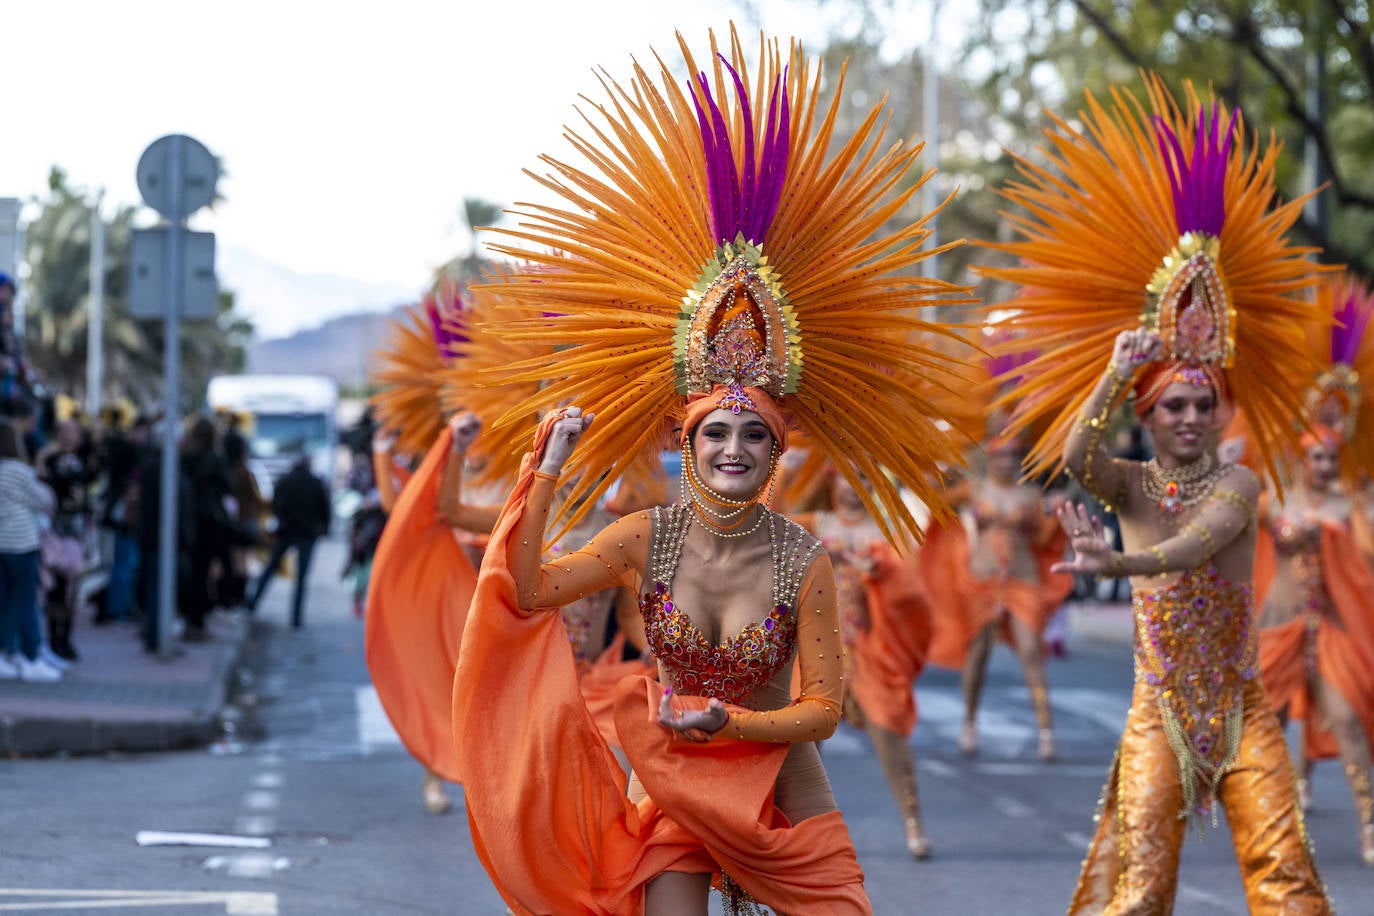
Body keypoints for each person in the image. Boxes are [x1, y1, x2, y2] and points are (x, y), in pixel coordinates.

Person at [448, 27, 974, 914]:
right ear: (685, 444)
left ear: (778, 448)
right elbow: (529, 588)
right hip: (681, 787)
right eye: (715, 433)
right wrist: (547, 468)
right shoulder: (640, 539)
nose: (734, 448)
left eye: (754, 436)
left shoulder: (802, 557)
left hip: (783, 792)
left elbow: (823, 710)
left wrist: (734, 724)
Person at [979, 76, 1331, 912]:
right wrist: (1112, 372)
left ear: (1219, 412)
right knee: (1139, 892)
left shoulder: (1240, 482)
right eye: (1173, 403)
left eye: (1203, 403)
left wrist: (1122, 559)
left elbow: (1197, 544)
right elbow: (1076, 454)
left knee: (1288, 881)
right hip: (1157, 707)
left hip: (1242, 704)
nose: (1190, 415)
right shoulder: (1129, 478)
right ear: (1150, 413)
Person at [1254, 271, 1374, 867]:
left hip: (1330, 629)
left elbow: (1368, 561)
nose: (1325, 466)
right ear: (1303, 455)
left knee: (1348, 720)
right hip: (1277, 627)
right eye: (1317, 457)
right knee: (1269, 731)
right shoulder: (1273, 501)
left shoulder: (1352, 508)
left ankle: (1370, 826)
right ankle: (1273, 826)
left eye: (1333, 458)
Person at [794, 468, 935, 858]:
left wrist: (882, 571)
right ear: (832, 481)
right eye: (848, 477)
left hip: (869, 651)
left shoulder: (888, 534)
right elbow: (768, 532)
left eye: (865, 479)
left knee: (888, 732)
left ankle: (913, 820)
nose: (857, 487)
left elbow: (913, 590)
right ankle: (804, 832)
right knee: (806, 742)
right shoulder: (816, 524)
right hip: (818, 649)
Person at [248, 452, 330, 629]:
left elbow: (275, 505)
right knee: (301, 578)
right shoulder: (315, 482)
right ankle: (296, 618)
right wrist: (322, 529)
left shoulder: (285, 481)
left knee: (270, 568)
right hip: (307, 534)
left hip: (286, 532)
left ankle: (252, 603)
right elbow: (324, 509)